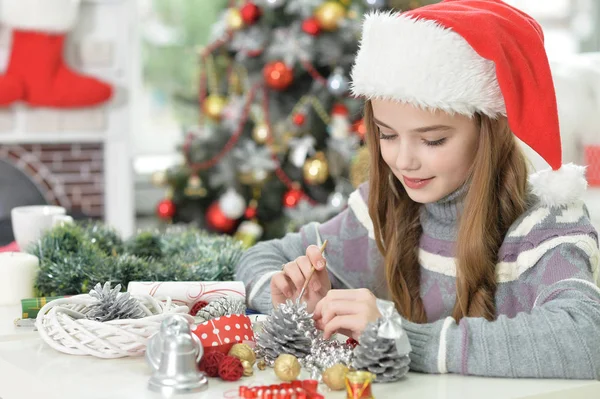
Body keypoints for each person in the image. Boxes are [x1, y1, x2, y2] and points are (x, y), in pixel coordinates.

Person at [235, 0, 600, 379]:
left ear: (488, 130)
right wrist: (297, 302)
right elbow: (261, 258)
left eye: (433, 141)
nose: (404, 161)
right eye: (387, 135)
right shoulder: (384, 209)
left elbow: (588, 339)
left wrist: (406, 339)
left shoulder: (545, 224)